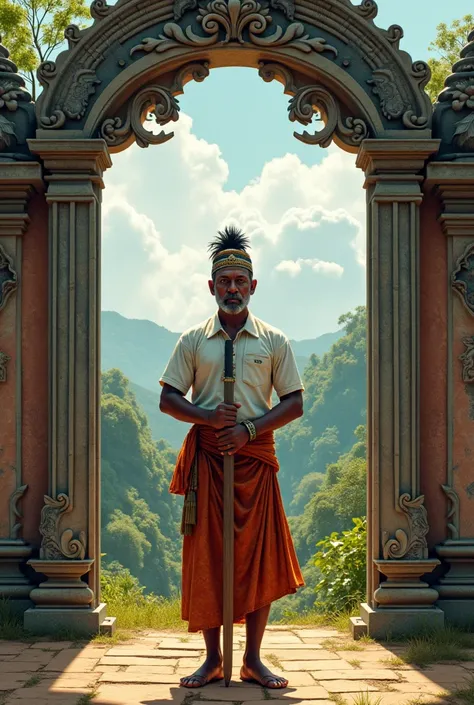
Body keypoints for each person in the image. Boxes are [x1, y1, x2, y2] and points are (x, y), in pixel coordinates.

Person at [159, 225, 304, 689]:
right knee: (208, 558)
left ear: (254, 286)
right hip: (209, 465)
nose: (233, 289)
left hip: (255, 461)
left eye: (241, 282)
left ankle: (253, 661)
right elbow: (168, 399)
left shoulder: (274, 341)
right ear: (211, 287)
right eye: (225, 282)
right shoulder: (193, 341)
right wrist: (207, 416)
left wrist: (248, 430)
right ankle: (213, 660)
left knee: (259, 559)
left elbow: (294, 402)